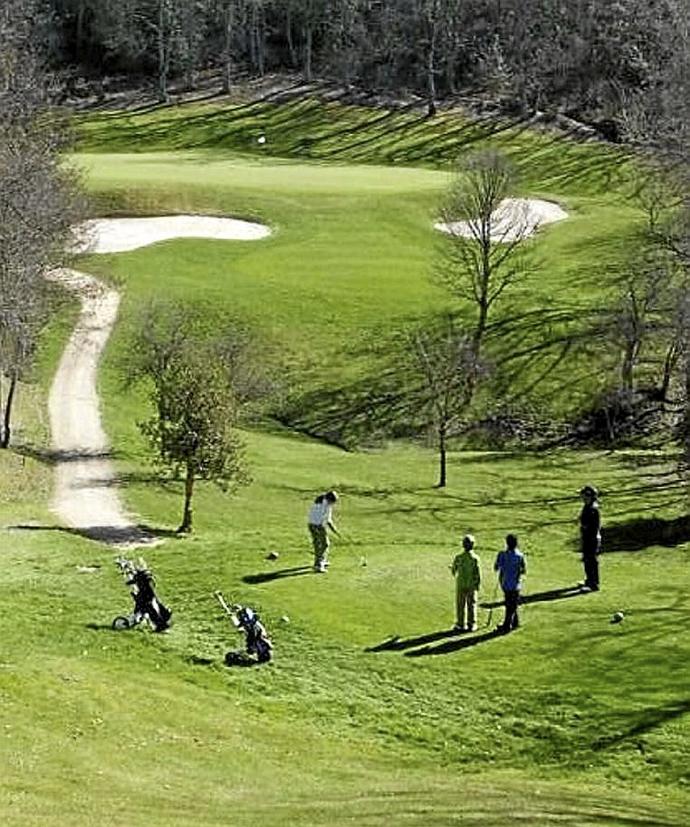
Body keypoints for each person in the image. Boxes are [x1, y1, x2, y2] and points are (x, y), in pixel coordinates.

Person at [493, 533, 526, 633]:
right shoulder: (520, 556)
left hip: (505, 583)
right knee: (512, 604)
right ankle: (515, 622)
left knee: (509, 605)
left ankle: (507, 625)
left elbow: (496, 567)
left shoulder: (502, 554)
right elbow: (523, 570)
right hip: (516, 584)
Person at [451, 534, 481, 632]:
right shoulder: (475, 558)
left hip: (461, 584)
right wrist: (478, 584)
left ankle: (460, 624)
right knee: (471, 605)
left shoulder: (458, 557)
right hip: (471, 585)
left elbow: (454, 570)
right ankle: (471, 624)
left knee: (460, 605)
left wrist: (453, 568)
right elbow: (477, 573)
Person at [307, 490, 339, 573]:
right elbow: (327, 521)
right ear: (329, 500)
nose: (333, 504)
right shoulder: (324, 505)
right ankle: (318, 565)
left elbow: (328, 520)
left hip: (313, 525)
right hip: (317, 525)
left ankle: (321, 561)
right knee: (323, 544)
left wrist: (334, 529)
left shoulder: (323, 501)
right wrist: (333, 529)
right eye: (333, 501)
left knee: (319, 544)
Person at [579, 484, 601, 591]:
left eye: (584, 495)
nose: (582, 498)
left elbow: (592, 526)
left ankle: (593, 584)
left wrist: (585, 528)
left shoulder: (592, 509)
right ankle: (589, 580)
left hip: (591, 538)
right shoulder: (587, 507)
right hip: (587, 537)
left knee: (591, 561)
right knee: (587, 560)